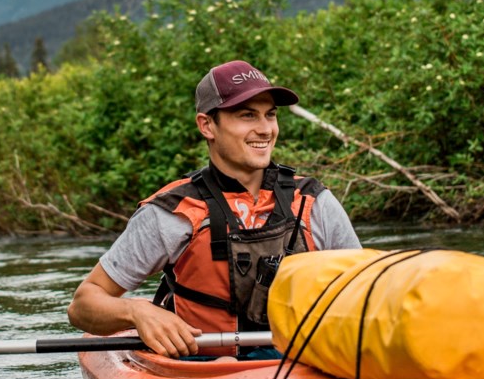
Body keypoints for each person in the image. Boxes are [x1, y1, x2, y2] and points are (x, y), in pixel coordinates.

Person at [67, 60, 361, 357]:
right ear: (207, 125)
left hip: (302, 365)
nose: (265, 129)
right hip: (205, 369)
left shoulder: (314, 202)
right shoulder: (172, 212)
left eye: (270, 115)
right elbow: (83, 306)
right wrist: (136, 312)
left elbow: (363, 292)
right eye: (247, 116)